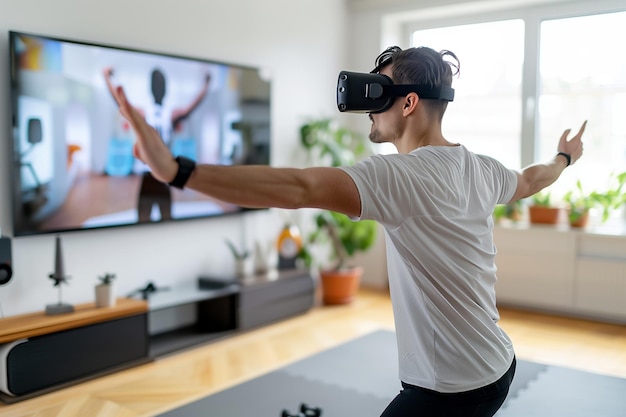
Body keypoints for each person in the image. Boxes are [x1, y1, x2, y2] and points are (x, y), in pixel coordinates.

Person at [110, 46, 585, 417]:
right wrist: (564, 158)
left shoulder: (401, 177)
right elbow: (531, 179)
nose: (369, 109)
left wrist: (177, 171)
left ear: (410, 103)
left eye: (380, 94)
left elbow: (299, 187)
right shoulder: (481, 167)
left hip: (451, 387)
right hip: (499, 362)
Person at [103, 66, 211, 222]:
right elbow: (121, 103)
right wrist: (106, 78)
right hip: (151, 175)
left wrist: (206, 84)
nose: (159, 88)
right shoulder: (146, 112)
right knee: (145, 217)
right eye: (157, 85)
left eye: (160, 85)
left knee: (162, 217)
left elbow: (191, 107)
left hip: (164, 175)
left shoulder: (166, 114)